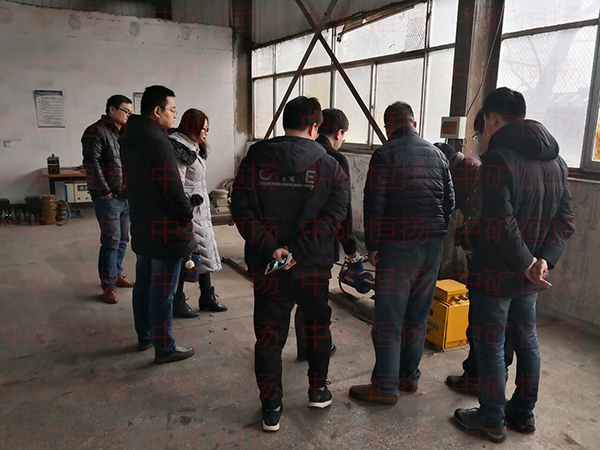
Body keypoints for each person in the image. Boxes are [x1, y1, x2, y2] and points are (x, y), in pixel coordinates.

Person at [454, 87, 575, 443]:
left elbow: (499, 222)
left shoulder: (497, 160)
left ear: (493, 118)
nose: (483, 130)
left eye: (484, 123)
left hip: (497, 273)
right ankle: (522, 412)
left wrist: (526, 262)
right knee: (528, 340)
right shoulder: (558, 162)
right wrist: (542, 261)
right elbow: (564, 220)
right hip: (533, 275)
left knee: (491, 344)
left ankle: (492, 418)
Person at [230, 96, 349, 432]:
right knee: (317, 326)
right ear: (314, 127)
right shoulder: (331, 166)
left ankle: (271, 408)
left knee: (269, 336)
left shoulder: (255, 159)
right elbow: (335, 216)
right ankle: (318, 390)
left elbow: (241, 208)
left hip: (270, 266)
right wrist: (298, 250)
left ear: (285, 123)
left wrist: (272, 248)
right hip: (312, 266)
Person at [349, 101, 454, 405]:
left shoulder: (385, 154)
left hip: (399, 246)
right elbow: (450, 201)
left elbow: (375, 202)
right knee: (417, 317)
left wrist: (374, 245)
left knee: (389, 319)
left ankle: (384, 387)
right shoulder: (438, 154)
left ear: (387, 126)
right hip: (432, 245)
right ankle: (408, 378)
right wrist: (436, 232)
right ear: (414, 122)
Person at [436, 114, 514, 394]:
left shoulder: (480, 167)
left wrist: (467, 240)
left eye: (479, 135)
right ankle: (495, 379)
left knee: (483, 324)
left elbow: (475, 214)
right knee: (508, 329)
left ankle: (478, 381)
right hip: (516, 263)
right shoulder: (537, 166)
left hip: (489, 258)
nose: (478, 141)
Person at [119, 85, 195, 364]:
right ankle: (165, 348)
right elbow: (172, 190)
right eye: (172, 110)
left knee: (144, 287)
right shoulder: (158, 142)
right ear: (157, 111)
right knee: (163, 293)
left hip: (142, 224)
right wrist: (187, 213)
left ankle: (146, 336)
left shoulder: (129, 138)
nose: (175, 115)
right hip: (165, 231)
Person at [294, 108, 358, 360]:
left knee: (298, 297)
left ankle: (303, 346)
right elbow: (343, 210)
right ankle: (316, 349)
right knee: (315, 299)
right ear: (339, 133)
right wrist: (350, 247)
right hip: (320, 243)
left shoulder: (300, 152)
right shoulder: (335, 159)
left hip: (290, 240)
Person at [168, 109, 227, 318]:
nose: (206, 133)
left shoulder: (195, 147)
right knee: (187, 255)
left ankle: (207, 296)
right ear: (192, 127)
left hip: (201, 210)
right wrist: (187, 207)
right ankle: (177, 300)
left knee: (205, 252)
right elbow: (176, 184)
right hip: (188, 211)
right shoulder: (178, 149)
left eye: (207, 129)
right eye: (204, 129)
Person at [82, 95, 135, 304]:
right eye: (125, 111)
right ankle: (108, 285)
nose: (128, 115)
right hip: (108, 198)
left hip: (125, 196)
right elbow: (91, 163)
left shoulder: (125, 133)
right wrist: (104, 190)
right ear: (112, 110)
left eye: (130, 112)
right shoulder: (95, 131)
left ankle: (117, 275)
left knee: (123, 239)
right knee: (111, 241)